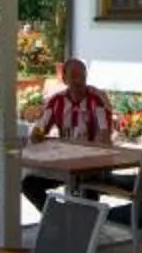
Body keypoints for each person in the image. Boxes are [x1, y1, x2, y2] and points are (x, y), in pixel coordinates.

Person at [23, 56, 115, 210]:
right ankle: (58, 217)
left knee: (87, 189)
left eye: (82, 76)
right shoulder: (56, 101)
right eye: (74, 76)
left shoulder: (96, 99)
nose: (79, 80)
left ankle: (84, 224)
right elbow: (39, 130)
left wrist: (93, 153)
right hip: (65, 166)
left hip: (92, 165)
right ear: (64, 79)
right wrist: (36, 132)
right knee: (28, 184)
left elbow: (104, 134)